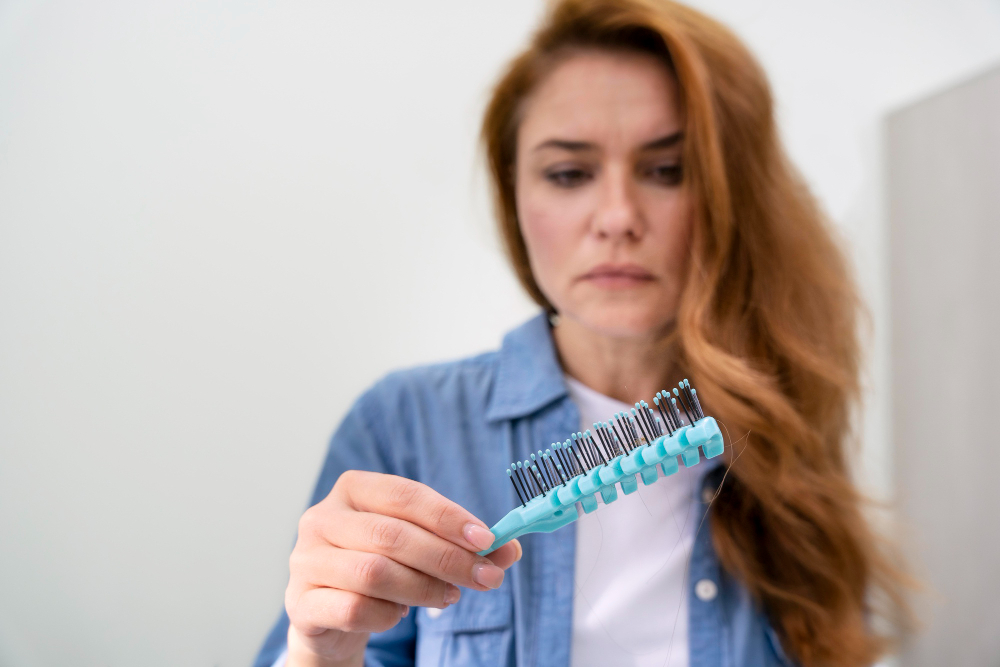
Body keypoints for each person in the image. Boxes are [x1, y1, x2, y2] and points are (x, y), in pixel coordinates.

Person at [254, 0, 907, 665]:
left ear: (729, 194)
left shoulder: (778, 438)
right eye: (569, 173)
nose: (618, 217)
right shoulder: (404, 426)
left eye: (667, 170)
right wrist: (317, 650)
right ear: (515, 195)